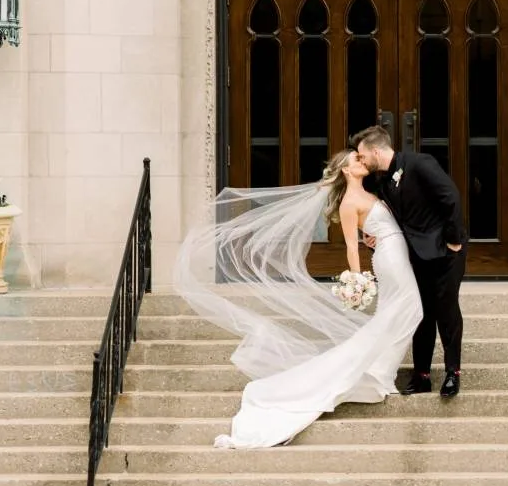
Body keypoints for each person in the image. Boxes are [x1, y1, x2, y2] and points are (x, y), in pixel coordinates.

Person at [173, 148, 423, 451]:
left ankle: (380, 373)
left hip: (393, 252)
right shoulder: (347, 203)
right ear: (345, 171)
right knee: (410, 310)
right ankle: (379, 374)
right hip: (389, 260)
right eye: (355, 160)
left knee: (401, 312)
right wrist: (357, 279)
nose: (361, 161)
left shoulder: (372, 189)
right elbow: (351, 247)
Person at [353, 122, 467, 397]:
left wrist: (453, 240)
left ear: (376, 150)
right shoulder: (380, 180)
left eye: (362, 155)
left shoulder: (419, 163)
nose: (361, 160)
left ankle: (453, 373)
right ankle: (422, 375)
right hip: (414, 255)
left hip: (445, 251)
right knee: (421, 312)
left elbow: (450, 197)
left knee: (446, 310)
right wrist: (373, 238)